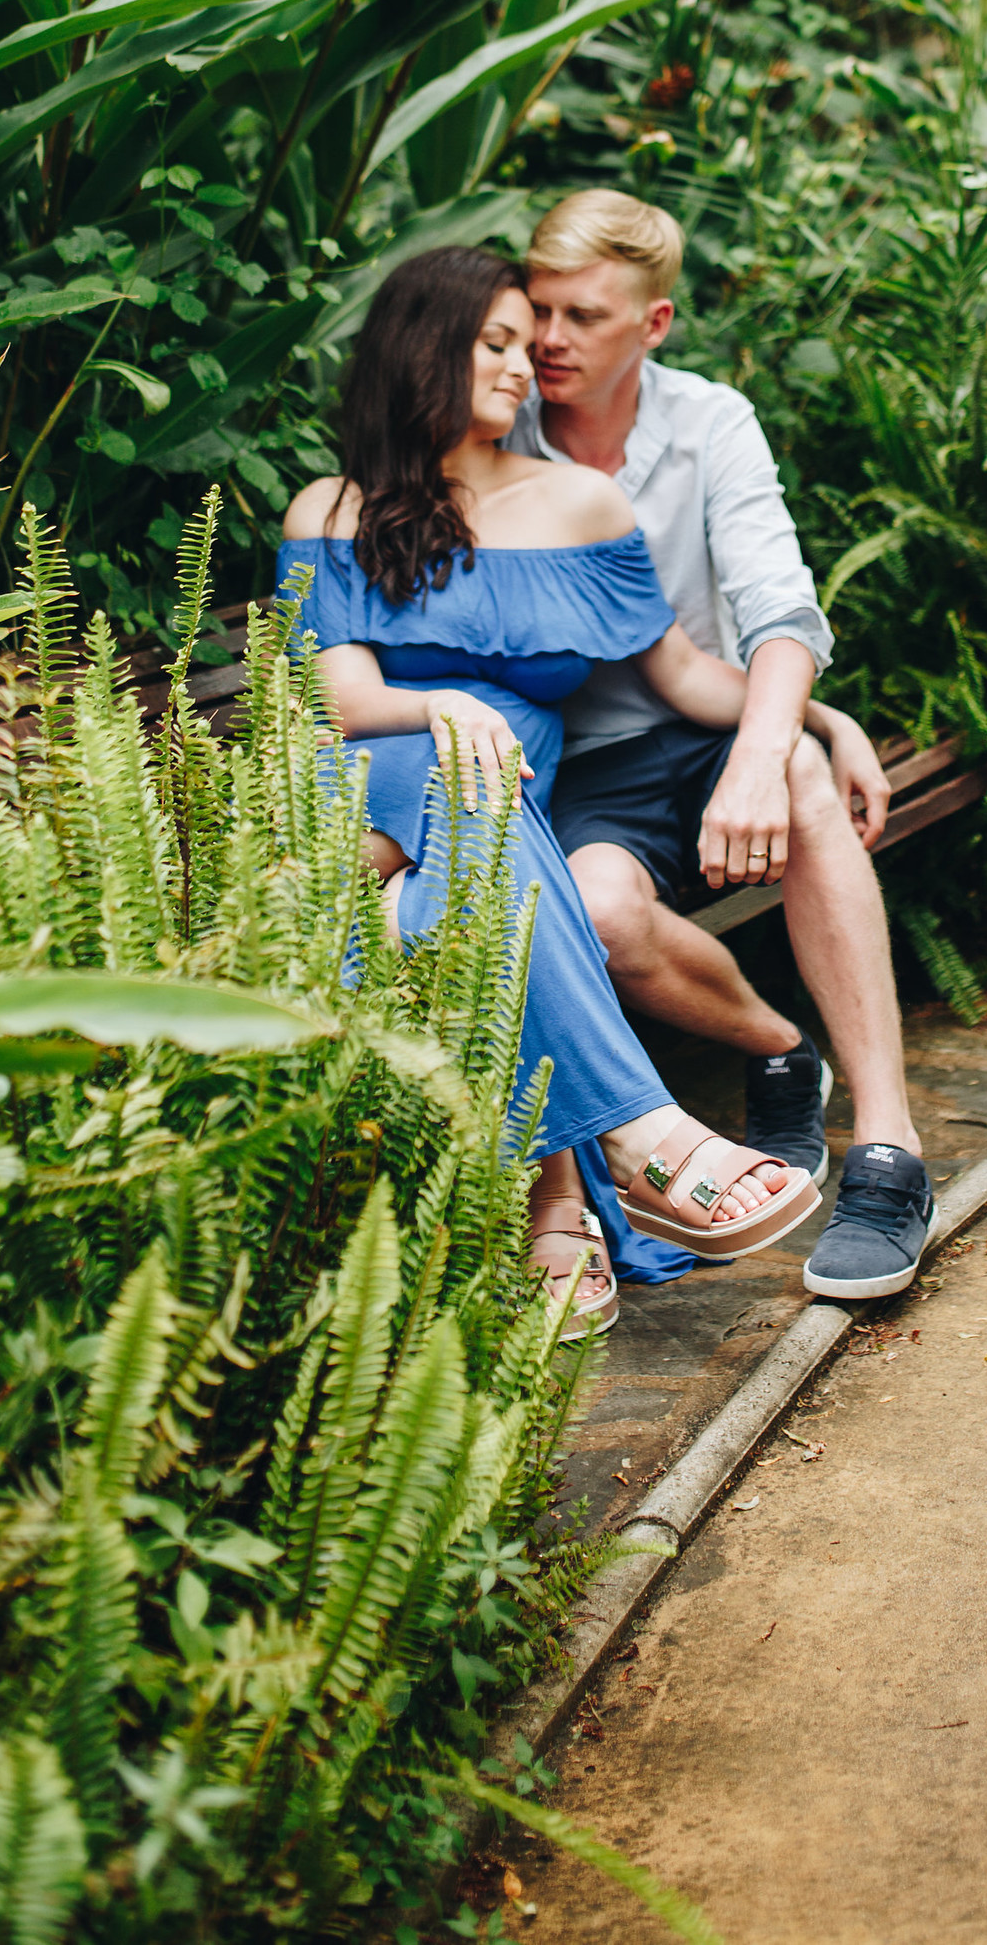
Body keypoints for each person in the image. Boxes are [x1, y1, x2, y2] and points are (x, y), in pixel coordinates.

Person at [280, 245, 839, 1340]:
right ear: (422, 352)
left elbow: (678, 673)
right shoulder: (331, 509)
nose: (524, 367)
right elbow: (343, 696)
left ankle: (554, 1190)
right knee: (471, 775)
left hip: (492, 797)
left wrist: (811, 718)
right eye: (494, 344)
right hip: (375, 768)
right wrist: (444, 706)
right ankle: (640, 1140)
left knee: (468, 859)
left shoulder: (583, 507)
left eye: (521, 346)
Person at [509, 189, 935, 1303]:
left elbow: (779, 609)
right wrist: (812, 718)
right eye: (540, 309)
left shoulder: (709, 421)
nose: (552, 340)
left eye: (585, 318)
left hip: (708, 728)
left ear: (651, 325)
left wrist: (780, 739)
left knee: (793, 774)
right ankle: (777, 1049)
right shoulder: (498, 421)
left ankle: (888, 1150)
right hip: (581, 767)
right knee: (596, 913)